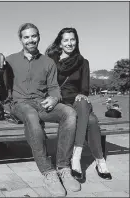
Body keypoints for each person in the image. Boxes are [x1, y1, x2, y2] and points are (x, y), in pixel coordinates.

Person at [0, 23, 80, 196]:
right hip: (19, 104)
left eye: (33, 36)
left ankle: (63, 167)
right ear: (21, 40)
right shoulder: (10, 60)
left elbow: (54, 87)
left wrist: (55, 97)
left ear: (39, 37)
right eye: (26, 37)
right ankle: (48, 172)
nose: (30, 40)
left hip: (41, 103)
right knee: (31, 116)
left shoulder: (48, 62)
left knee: (70, 113)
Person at [45, 27, 112, 180]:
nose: (70, 43)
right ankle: (100, 160)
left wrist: (82, 94)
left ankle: (76, 157)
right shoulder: (51, 61)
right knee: (92, 120)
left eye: (72, 39)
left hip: (78, 101)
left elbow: (84, 88)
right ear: (60, 44)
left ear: (76, 41)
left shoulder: (83, 62)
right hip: (61, 103)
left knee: (81, 101)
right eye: (66, 40)